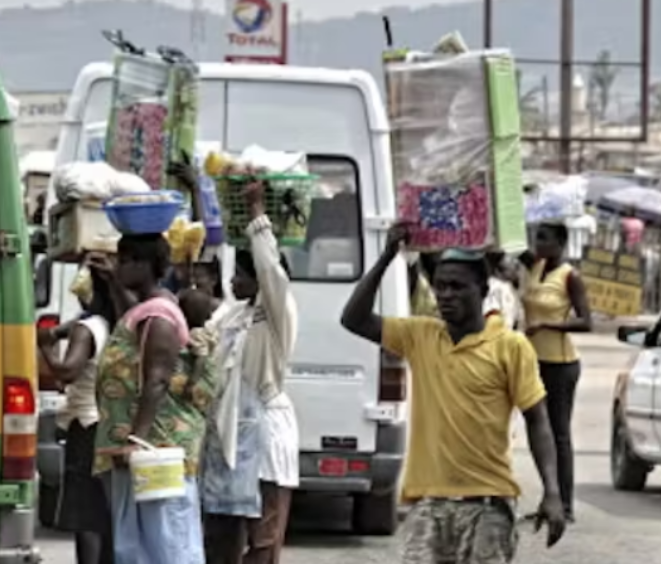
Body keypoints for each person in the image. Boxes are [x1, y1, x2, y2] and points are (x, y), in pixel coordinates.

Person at [340, 224, 566, 563]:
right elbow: (354, 319)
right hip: (428, 506)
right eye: (441, 287)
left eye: (457, 287)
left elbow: (538, 421)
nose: (446, 295)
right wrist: (388, 256)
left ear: (482, 289)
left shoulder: (510, 346)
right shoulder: (421, 335)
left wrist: (552, 492)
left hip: (488, 506)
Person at [93, 233, 211, 564]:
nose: (121, 265)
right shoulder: (147, 311)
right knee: (139, 546)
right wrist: (113, 282)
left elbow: (157, 379)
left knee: (166, 543)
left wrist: (136, 440)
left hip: (154, 450)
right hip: (142, 451)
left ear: (146, 265)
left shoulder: (160, 315)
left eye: (127, 260)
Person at [200, 181, 300, 564]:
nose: (232, 282)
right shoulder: (233, 315)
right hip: (228, 438)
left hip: (265, 440)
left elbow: (272, 272)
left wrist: (258, 213)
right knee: (222, 536)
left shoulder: (276, 313)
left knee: (262, 539)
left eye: (241, 275)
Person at [40, 266, 116, 564]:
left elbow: (67, 371)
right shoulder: (113, 322)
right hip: (106, 422)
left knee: (85, 514)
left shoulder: (87, 329)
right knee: (104, 511)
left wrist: (47, 350)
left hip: (85, 426)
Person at [520, 221, 593, 521]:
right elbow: (506, 245)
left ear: (561, 243)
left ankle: (565, 505)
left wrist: (546, 324)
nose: (538, 243)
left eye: (545, 239)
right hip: (533, 362)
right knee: (538, 431)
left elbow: (586, 321)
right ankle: (548, 498)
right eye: (537, 237)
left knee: (558, 434)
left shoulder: (569, 276)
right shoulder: (536, 267)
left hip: (561, 365)